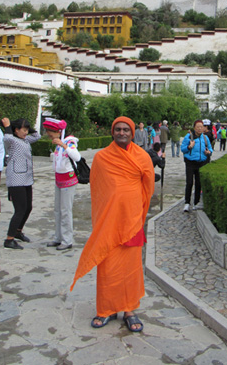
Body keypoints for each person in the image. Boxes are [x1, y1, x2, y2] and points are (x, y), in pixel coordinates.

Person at [70, 116, 155, 333]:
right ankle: (106, 309)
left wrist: (139, 214)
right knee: (107, 267)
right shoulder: (101, 158)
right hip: (109, 222)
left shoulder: (142, 157)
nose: (122, 133)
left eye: (126, 129)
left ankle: (129, 310)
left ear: (132, 132)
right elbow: (97, 191)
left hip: (132, 221)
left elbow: (148, 188)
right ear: (112, 132)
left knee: (131, 268)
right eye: (118, 129)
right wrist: (102, 219)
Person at [2, 117, 41, 249]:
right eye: (23, 130)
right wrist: (8, 126)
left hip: (26, 178)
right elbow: (6, 138)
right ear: (16, 130)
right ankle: (9, 239)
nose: (26, 132)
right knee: (19, 210)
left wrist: (28, 126)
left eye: (26, 130)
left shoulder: (25, 140)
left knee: (28, 207)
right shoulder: (12, 141)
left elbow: (37, 136)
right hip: (16, 179)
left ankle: (18, 231)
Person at [43, 117, 81, 251]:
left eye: (50, 132)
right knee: (58, 210)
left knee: (65, 210)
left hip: (68, 180)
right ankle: (58, 237)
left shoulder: (69, 141)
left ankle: (67, 239)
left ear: (58, 132)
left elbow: (77, 157)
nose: (49, 135)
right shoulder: (58, 144)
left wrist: (64, 145)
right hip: (58, 180)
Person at [181, 120, 212, 212]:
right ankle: (187, 203)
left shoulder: (205, 138)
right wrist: (189, 147)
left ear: (203, 128)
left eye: (201, 126)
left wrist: (209, 152)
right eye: (198, 126)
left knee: (199, 184)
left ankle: (196, 202)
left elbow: (210, 149)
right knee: (189, 182)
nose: (199, 128)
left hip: (201, 163)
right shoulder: (189, 137)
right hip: (190, 163)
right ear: (194, 128)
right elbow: (183, 148)